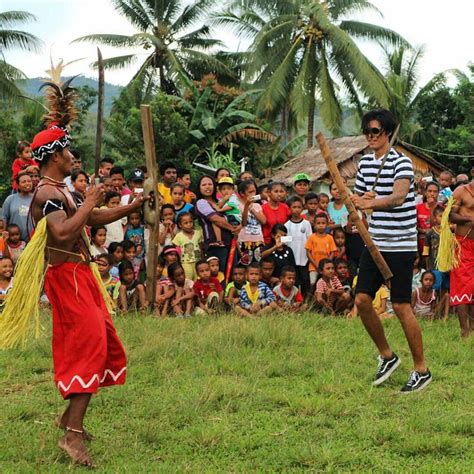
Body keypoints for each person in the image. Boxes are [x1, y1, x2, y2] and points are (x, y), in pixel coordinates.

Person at [14, 79, 147, 467]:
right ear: (54, 154)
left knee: (102, 341)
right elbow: (63, 231)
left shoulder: (62, 189)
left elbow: (90, 219)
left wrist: (130, 205)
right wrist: (89, 198)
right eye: (68, 149)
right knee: (88, 348)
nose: (74, 155)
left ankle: (68, 418)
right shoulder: (46, 193)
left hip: (82, 277)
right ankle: (72, 436)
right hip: (66, 279)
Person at [351, 108, 431, 393]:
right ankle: (387, 356)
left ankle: (421, 369)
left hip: (400, 244)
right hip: (374, 243)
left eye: (375, 131)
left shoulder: (402, 163)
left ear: (387, 133)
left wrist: (371, 203)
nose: (370, 136)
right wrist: (357, 207)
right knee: (361, 300)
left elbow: (398, 197)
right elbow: (359, 199)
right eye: (367, 131)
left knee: (399, 305)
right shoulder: (364, 164)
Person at [195, 176, 240, 272]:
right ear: (199, 188)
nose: (207, 187)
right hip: (215, 245)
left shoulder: (220, 202)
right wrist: (232, 228)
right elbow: (215, 219)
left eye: (210, 184)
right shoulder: (201, 202)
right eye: (204, 185)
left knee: (234, 274)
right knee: (220, 276)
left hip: (231, 242)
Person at [448, 169, 474, 337]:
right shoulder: (461, 191)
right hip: (462, 244)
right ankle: (464, 331)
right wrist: (469, 220)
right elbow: (450, 215)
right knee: (462, 286)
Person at [423, 206, 449, 318]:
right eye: (440, 216)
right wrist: (428, 268)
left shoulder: (449, 231)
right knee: (436, 290)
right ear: (434, 218)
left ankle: (445, 312)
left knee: (446, 289)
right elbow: (426, 252)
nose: (443, 218)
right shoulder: (430, 233)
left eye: (445, 216)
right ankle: (434, 311)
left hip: (447, 266)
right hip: (435, 267)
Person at [285, 196, 312, 296]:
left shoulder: (307, 224)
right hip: (292, 260)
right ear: (290, 209)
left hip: (304, 258)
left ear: (302, 208)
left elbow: (310, 241)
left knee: (305, 281)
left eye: (299, 207)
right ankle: (295, 300)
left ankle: (307, 302)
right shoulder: (287, 225)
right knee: (294, 282)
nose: (296, 209)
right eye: (294, 207)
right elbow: (286, 244)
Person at [237, 179, 266, 265]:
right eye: (250, 192)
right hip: (244, 241)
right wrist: (246, 206)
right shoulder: (238, 206)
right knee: (245, 265)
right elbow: (244, 223)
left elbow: (263, 221)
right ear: (242, 193)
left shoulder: (257, 206)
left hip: (258, 240)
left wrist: (252, 209)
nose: (253, 194)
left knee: (257, 266)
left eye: (254, 191)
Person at [305, 213, 337, 288]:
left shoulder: (330, 238)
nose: (321, 225)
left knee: (327, 285)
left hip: (326, 268)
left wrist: (326, 265)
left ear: (327, 224)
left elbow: (332, 252)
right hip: (313, 267)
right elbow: (308, 253)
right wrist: (316, 265)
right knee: (313, 284)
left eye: (323, 223)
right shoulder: (311, 237)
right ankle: (314, 299)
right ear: (314, 224)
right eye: (318, 223)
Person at [2, 171, 33, 242]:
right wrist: (4, 232)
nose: (27, 183)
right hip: (14, 240)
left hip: (32, 240)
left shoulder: (36, 198)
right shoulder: (10, 199)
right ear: (18, 185)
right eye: (24, 182)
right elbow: (4, 217)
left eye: (29, 181)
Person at [172, 212, 203, 280]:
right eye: (185, 223)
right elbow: (176, 251)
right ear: (180, 225)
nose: (189, 224)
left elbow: (201, 247)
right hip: (185, 263)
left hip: (198, 262)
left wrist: (202, 260)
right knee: (187, 280)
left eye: (190, 222)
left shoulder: (198, 233)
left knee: (198, 279)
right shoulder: (178, 236)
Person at [416, 181, 440, 254]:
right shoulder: (418, 208)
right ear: (425, 192)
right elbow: (414, 227)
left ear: (438, 193)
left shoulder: (442, 208)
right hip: (421, 244)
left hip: (437, 245)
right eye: (429, 191)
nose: (432, 194)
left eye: (435, 191)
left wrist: (432, 207)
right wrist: (423, 231)